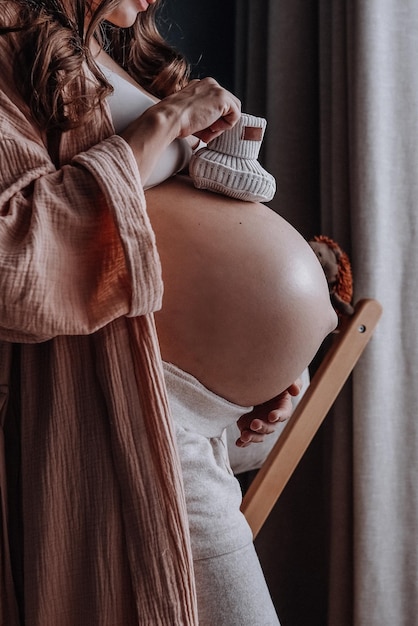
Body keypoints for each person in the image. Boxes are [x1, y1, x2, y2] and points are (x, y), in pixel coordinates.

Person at [0, 1, 337, 625]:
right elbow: (14, 263)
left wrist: (267, 368)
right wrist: (160, 129)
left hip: (215, 425)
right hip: (137, 412)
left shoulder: (111, 48)